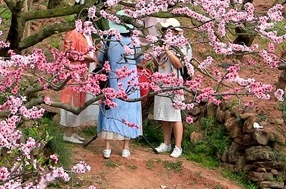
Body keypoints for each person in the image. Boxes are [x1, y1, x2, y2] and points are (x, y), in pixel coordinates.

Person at [97, 15, 142, 159]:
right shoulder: (135, 42)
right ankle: (125, 148)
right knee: (128, 110)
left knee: (111, 109)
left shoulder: (109, 40)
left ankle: (107, 148)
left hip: (113, 79)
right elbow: (140, 59)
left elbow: (100, 59)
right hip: (131, 81)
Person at [152, 18, 191, 159]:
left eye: (168, 30)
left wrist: (168, 51)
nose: (165, 32)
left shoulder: (182, 45)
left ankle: (178, 146)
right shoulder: (162, 44)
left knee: (175, 115)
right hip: (162, 82)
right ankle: (166, 142)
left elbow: (180, 64)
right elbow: (158, 63)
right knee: (164, 114)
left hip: (174, 84)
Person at [59, 24, 98, 144]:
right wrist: (85, 57)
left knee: (80, 100)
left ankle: (74, 130)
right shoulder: (73, 34)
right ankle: (68, 133)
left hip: (83, 72)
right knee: (71, 100)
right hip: (74, 72)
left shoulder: (88, 35)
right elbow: (68, 52)